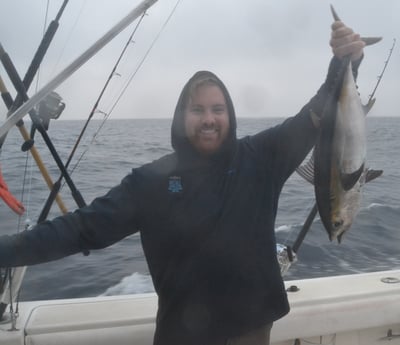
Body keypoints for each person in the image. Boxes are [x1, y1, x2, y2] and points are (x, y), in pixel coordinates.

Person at [0, 19, 365, 345]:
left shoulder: (263, 156)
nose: (209, 119)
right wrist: (7, 250)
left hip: (252, 330)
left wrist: (345, 62)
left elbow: (317, 113)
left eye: (218, 109)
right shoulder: (150, 182)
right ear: (181, 117)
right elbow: (81, 229)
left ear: (230, 116)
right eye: (198, 109)